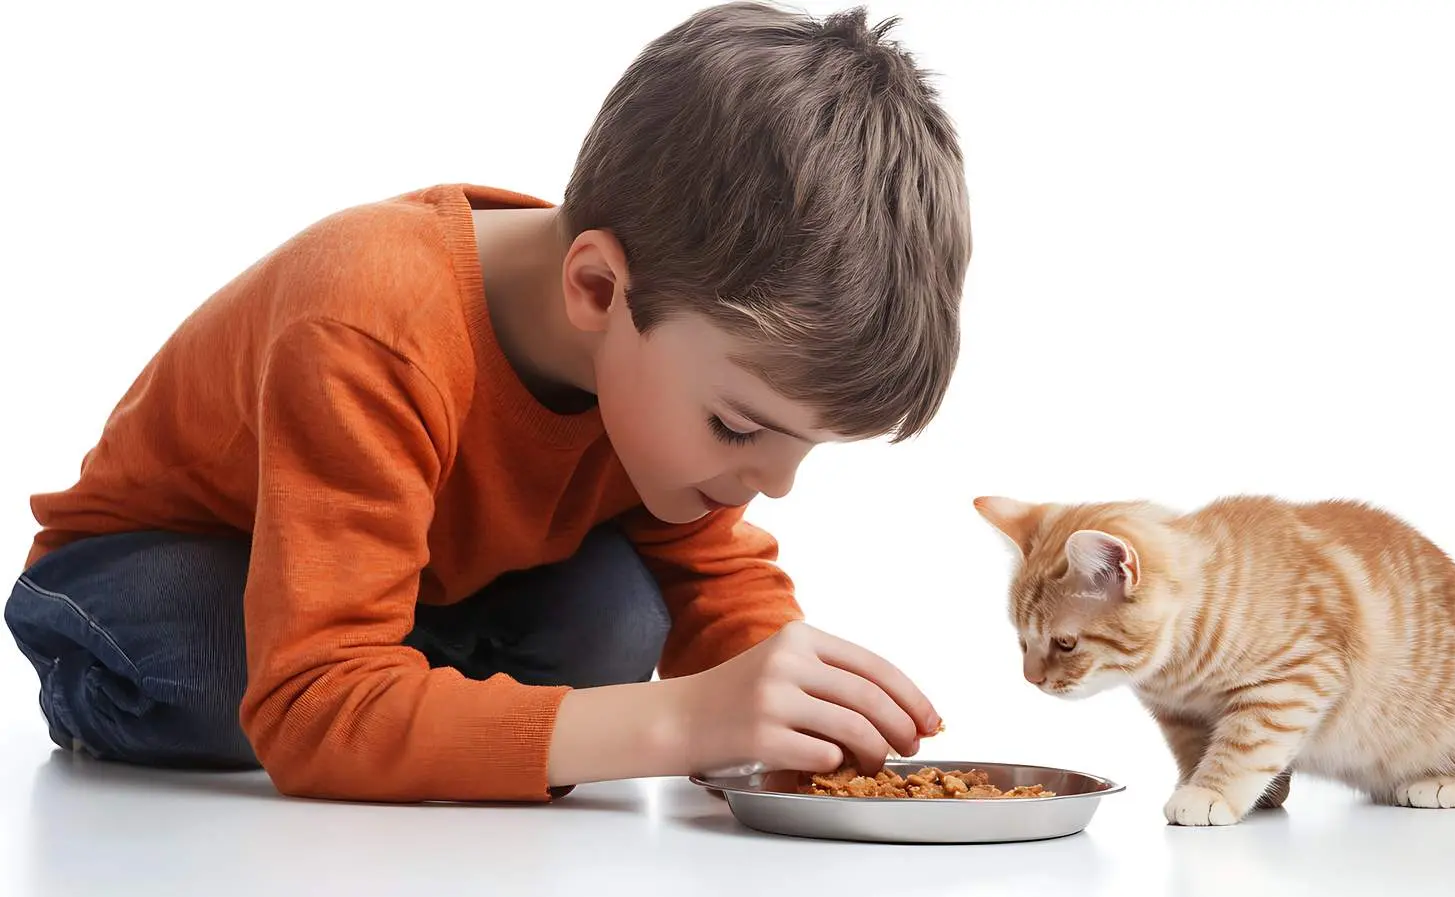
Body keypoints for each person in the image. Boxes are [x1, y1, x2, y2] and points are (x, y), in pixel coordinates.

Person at [4, 1, 969, 803]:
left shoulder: (659, 357)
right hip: (157, 569)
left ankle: (402, 699)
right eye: (741, 427)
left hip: (410, 591)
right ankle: (375, 696)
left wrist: (786, 715)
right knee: (223, 676)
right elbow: (305, 704)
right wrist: (683, 719)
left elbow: (711, 578)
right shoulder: (372, 317)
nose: (774, 484)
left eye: (805, 447)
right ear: (597, 290)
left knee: (617, 622)